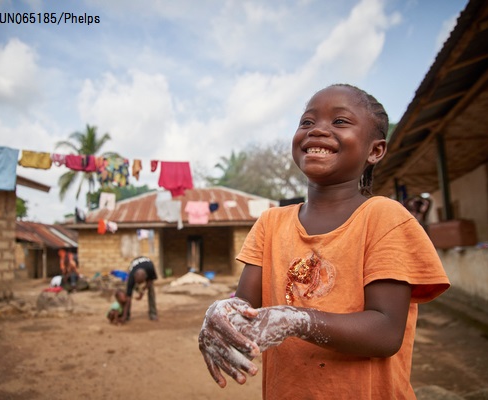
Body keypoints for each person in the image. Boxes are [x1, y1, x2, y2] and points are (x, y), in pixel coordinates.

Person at [198, 84, 450, 399]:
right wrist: (221, 313)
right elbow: (246, 305)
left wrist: (296, 320)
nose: (317, 130)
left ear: (375, 150)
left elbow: (386, 333)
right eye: (307, 122)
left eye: (340, 122)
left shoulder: (384, 217)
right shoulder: (270, 223)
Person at [124, 256, 158, 321]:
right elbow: (128, 297)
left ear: (145, 277)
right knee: (128, 291)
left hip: (147, 265)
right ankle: (127, 314)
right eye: (137, 282)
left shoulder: (150, 268)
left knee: (151, 291)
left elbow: (150, 281)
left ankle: (153, 313)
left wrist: (142, 291)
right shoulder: (131, 276)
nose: (139, 284)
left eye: (140, 283)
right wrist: (124, 316)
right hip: (135, 265)